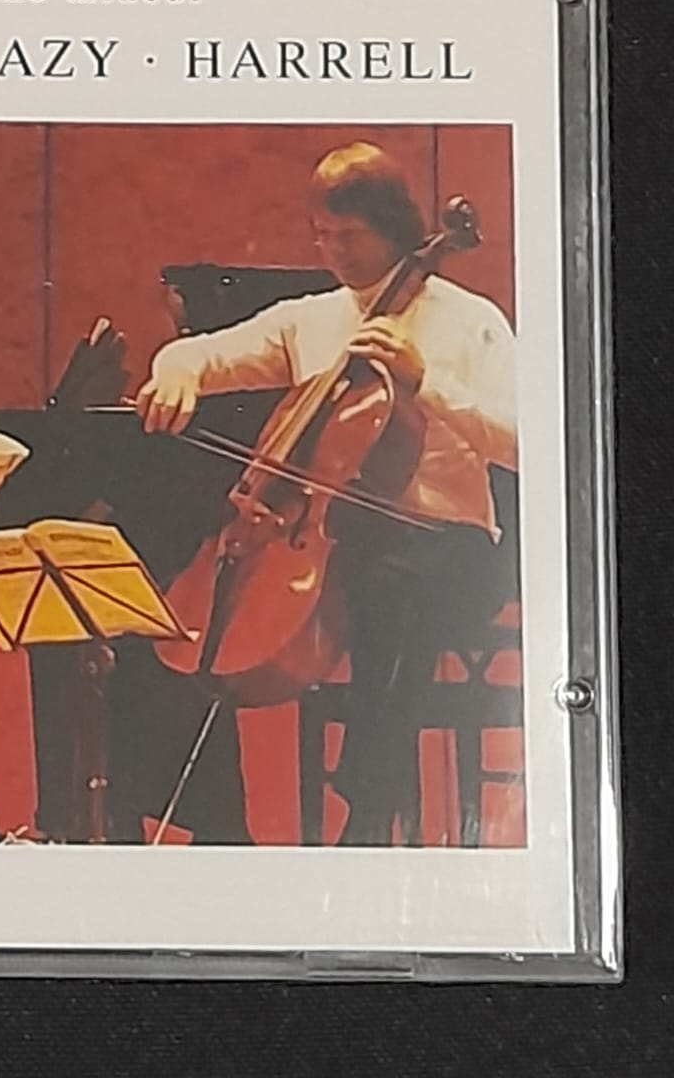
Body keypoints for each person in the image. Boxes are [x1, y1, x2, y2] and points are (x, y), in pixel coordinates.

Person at [134, 141, 518, 845]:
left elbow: (524, 443)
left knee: (389, 592)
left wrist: (426, 382)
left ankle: (368, 819)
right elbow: (204, 353)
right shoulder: (310, 319)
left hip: (449, 546)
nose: (334, 251)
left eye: (350, 235)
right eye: (322, 235)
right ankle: (223, 833)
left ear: (395, 228)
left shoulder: (471, 321)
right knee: (192, 615)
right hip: (341, 544)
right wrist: (176, 369)